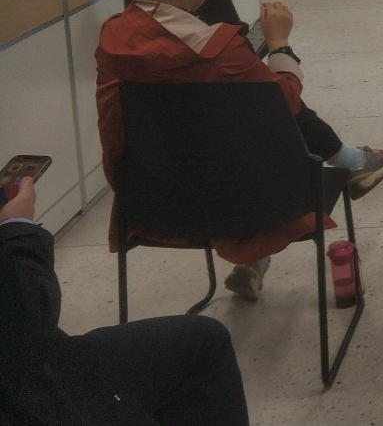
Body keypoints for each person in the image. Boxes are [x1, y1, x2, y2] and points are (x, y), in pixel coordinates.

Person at [96, 0, 383, 301]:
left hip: (150, 200)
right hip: (246, 201)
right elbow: (286, 100)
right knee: (269, 102)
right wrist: (279, 43)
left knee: (230, 110)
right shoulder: (218, 49)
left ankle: (259, 257)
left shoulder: (112, 38)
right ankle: (352, 163)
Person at [0, 176, 250, 425]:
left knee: (202, 340)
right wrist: (17, 227)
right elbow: (27, 319)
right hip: (30, 385)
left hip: (32, 365)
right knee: (206, 344)